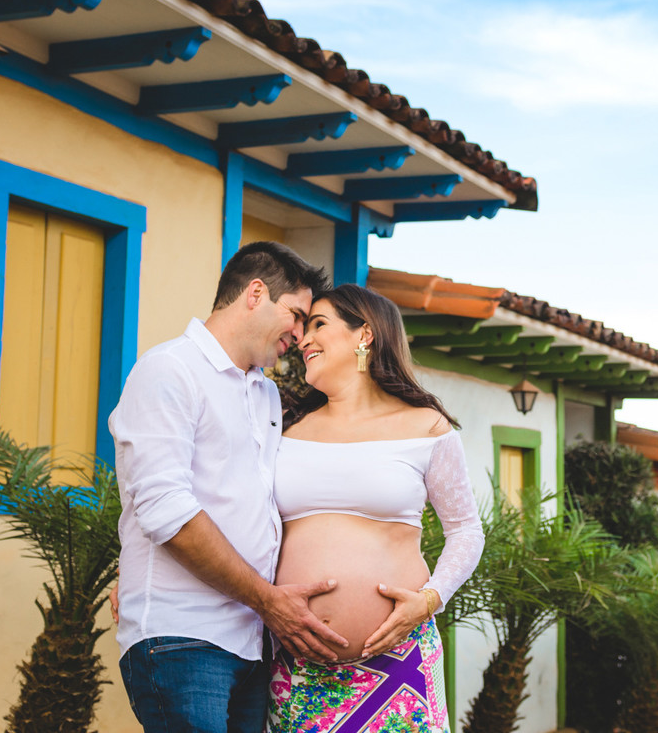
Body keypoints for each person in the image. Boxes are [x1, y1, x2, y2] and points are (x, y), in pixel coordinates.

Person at [110, 241, 348, 733]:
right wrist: (267, 599)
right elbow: (165, 509)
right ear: (256, 293)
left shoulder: (263, 391)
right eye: (298, 316)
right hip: (183, 637)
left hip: (250, 643)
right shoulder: (169, 370)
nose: (301, 336)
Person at [268, 284, 484, 732]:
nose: (303, 339)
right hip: (299, 668)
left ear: (364, 334)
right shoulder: (283, 428)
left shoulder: (425, 426)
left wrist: (429, 600)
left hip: (399, 666)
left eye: (319, 325)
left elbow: (466, 530)